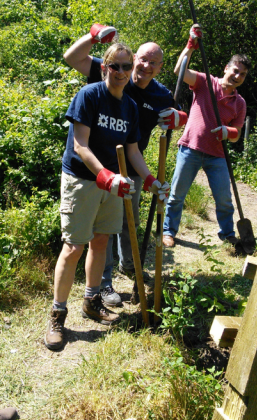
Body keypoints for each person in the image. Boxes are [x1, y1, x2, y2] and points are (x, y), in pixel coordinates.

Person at [45, 43, 169, 351]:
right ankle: (58, 314)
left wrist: (152, 181)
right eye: (116, 66)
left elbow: (132, 151)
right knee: (74, 247)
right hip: (83, 179)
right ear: (105, 68)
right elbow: (80, 146)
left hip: (114, 182)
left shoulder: (129, 107)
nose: (123, 72)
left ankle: (91, 299)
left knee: (100, 241)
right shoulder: (89, 96)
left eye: (127, 67)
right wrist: (106, 177)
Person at [62, 24, 181, 307]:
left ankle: (129, 267)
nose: (128, 70)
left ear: (160, 67)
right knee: (87, 238)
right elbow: (71, 58)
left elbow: (156, 129)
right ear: (108, 66)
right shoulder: (104, 81)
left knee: (123, 225)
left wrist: (180, 117)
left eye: (153, 62)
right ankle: (102, 285)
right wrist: (93, 36)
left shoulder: (158, 96)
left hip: (130, 169)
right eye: (142, 60)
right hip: (91, 168)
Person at [162, 25, 249, 247]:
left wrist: (226, 132)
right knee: (176, 195)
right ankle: (168, 232)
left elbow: (236, 135)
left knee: (224, 200)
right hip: (190, 148)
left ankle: (228, 235)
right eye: (235, 70)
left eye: (242, 74)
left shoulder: (239, 103)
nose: (237, 76)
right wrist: (190, 45)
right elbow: (179, 71)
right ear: (226, 68)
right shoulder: (205, 82)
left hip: (217, 155)